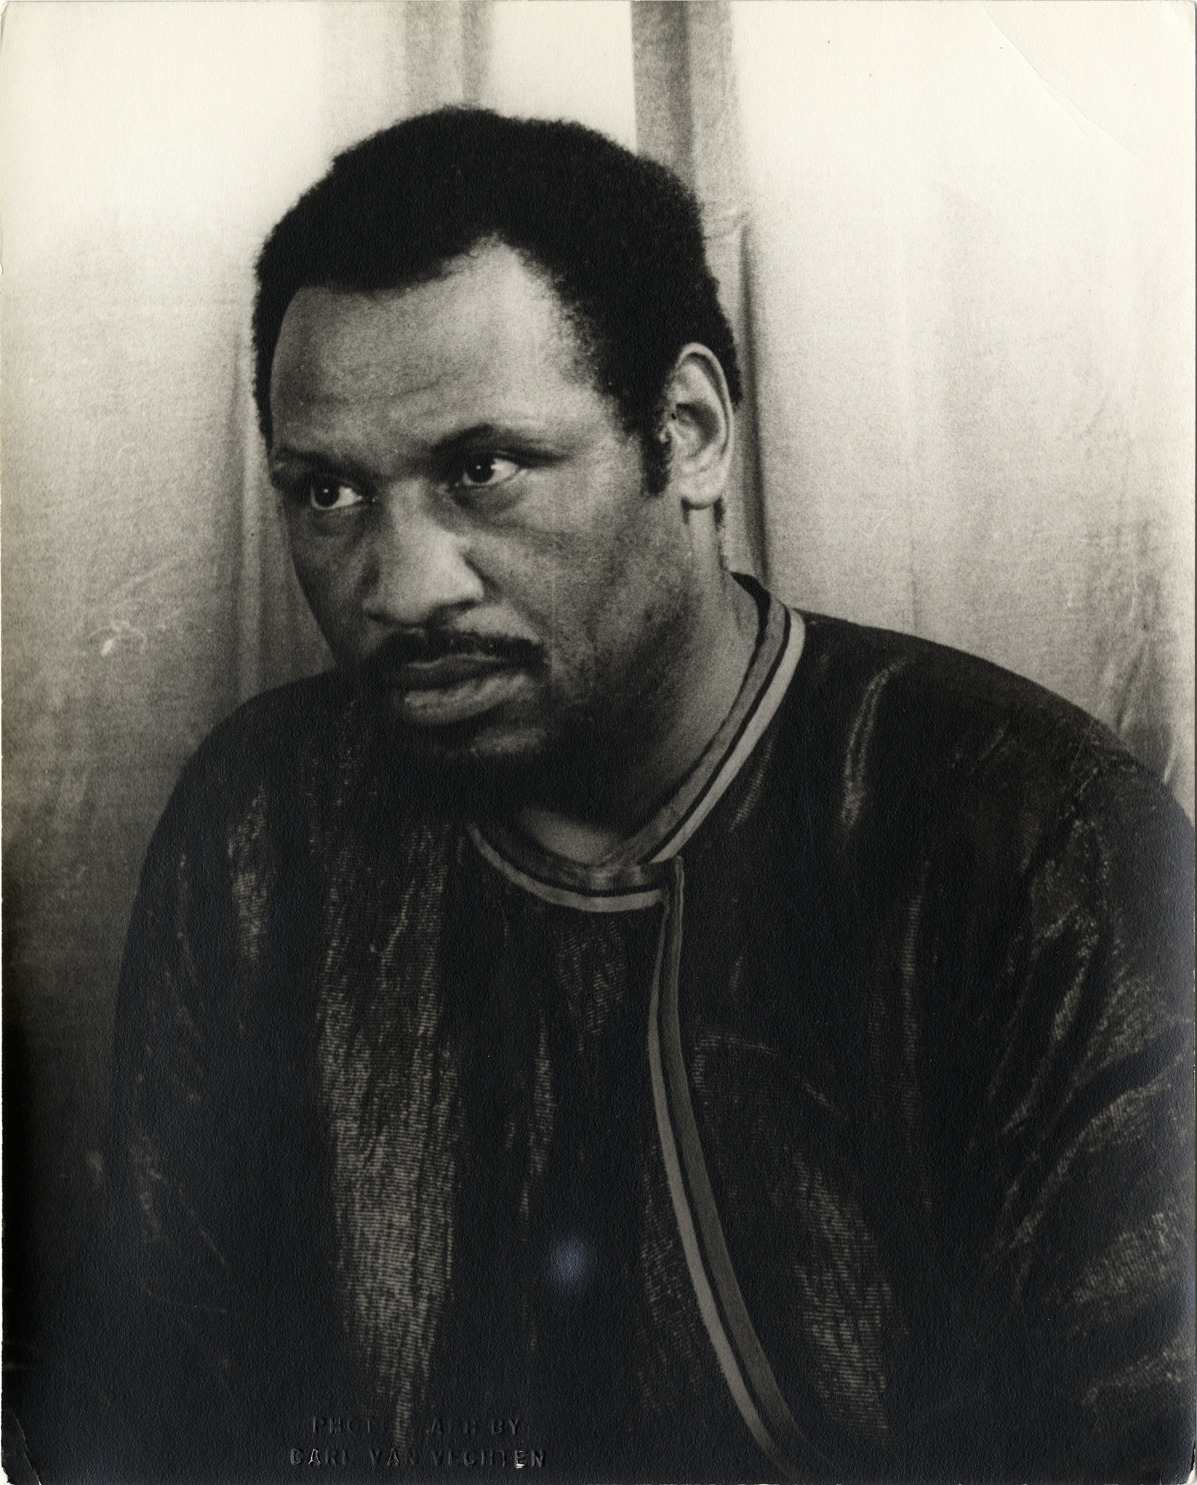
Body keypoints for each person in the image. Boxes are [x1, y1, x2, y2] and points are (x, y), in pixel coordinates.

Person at [15, 108, 1193, 1484]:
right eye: (327, 492)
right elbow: (154, 1414)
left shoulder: (1037, 848)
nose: (403, 587)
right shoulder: (263, 824)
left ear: (686, 433)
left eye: (482, 470)